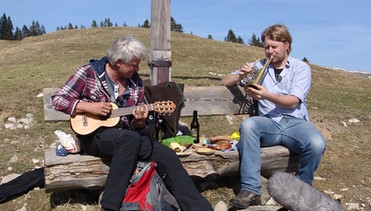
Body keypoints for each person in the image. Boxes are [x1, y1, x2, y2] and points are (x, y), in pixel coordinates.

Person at [51, 34, 213, 211]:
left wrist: (140, 122)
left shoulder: (136, 83)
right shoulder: (89, 73)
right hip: (93, 137)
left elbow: (135, 127)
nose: (137, 68)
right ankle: (110, 206)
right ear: (118, 62)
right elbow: (58, 99)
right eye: (134, 64)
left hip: (127, 139)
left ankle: (199, 207)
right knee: (130, 140)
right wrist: (89, 108)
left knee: (166, 154)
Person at [221, 24, 326, 209]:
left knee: (316, 144)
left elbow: (293, 101)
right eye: (266, 47)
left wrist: (266, 95)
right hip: (269, 122)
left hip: (295, 122)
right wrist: (241, 75)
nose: (269, 51)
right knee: (248, 126)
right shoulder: (259, 65)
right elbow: (225, 81)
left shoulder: (301, 68)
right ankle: (251, 190)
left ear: (286, 45)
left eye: (274, 47)